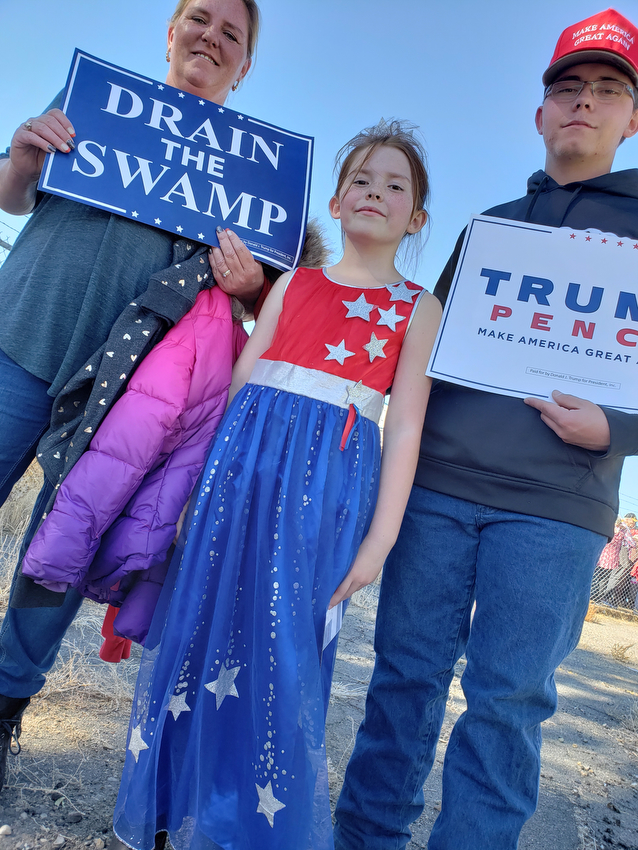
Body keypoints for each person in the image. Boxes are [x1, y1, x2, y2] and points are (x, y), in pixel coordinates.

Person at [333, 9, 638, 850]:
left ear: (631, 118)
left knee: (505, 709)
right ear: (541, 114)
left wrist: (614, 426)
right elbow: (417, 345)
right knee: (402, 685)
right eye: (568, 89)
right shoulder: (488, 229)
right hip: (437, 492)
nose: (585, 103)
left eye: (607, 90)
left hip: (553, 512)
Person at [96, 119, 442, 850]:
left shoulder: (418, 308)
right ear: (337, 202)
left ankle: (247, 826)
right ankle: (175, 806)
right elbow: (243, 380)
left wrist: (379, 541)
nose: (374, 192)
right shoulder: (295, 286)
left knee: (282, 656)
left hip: (325, 495)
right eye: (360, 180)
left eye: (394, 185)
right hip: (237, 478)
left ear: (416, 218)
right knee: (198, 630)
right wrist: (195, 483)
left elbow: (406, 426)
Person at [0, 0, 266, 791]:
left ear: (244, 67)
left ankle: (8, 699)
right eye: (200, 19)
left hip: (123, 391)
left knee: (58, 546)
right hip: (21, 338)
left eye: (232, 36)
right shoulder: (92, 104)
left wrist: (252, 288)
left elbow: (258, 302)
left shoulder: (252, 177)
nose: (211, 39)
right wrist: (20, 153)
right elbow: (16, 196)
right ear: (170, 31)